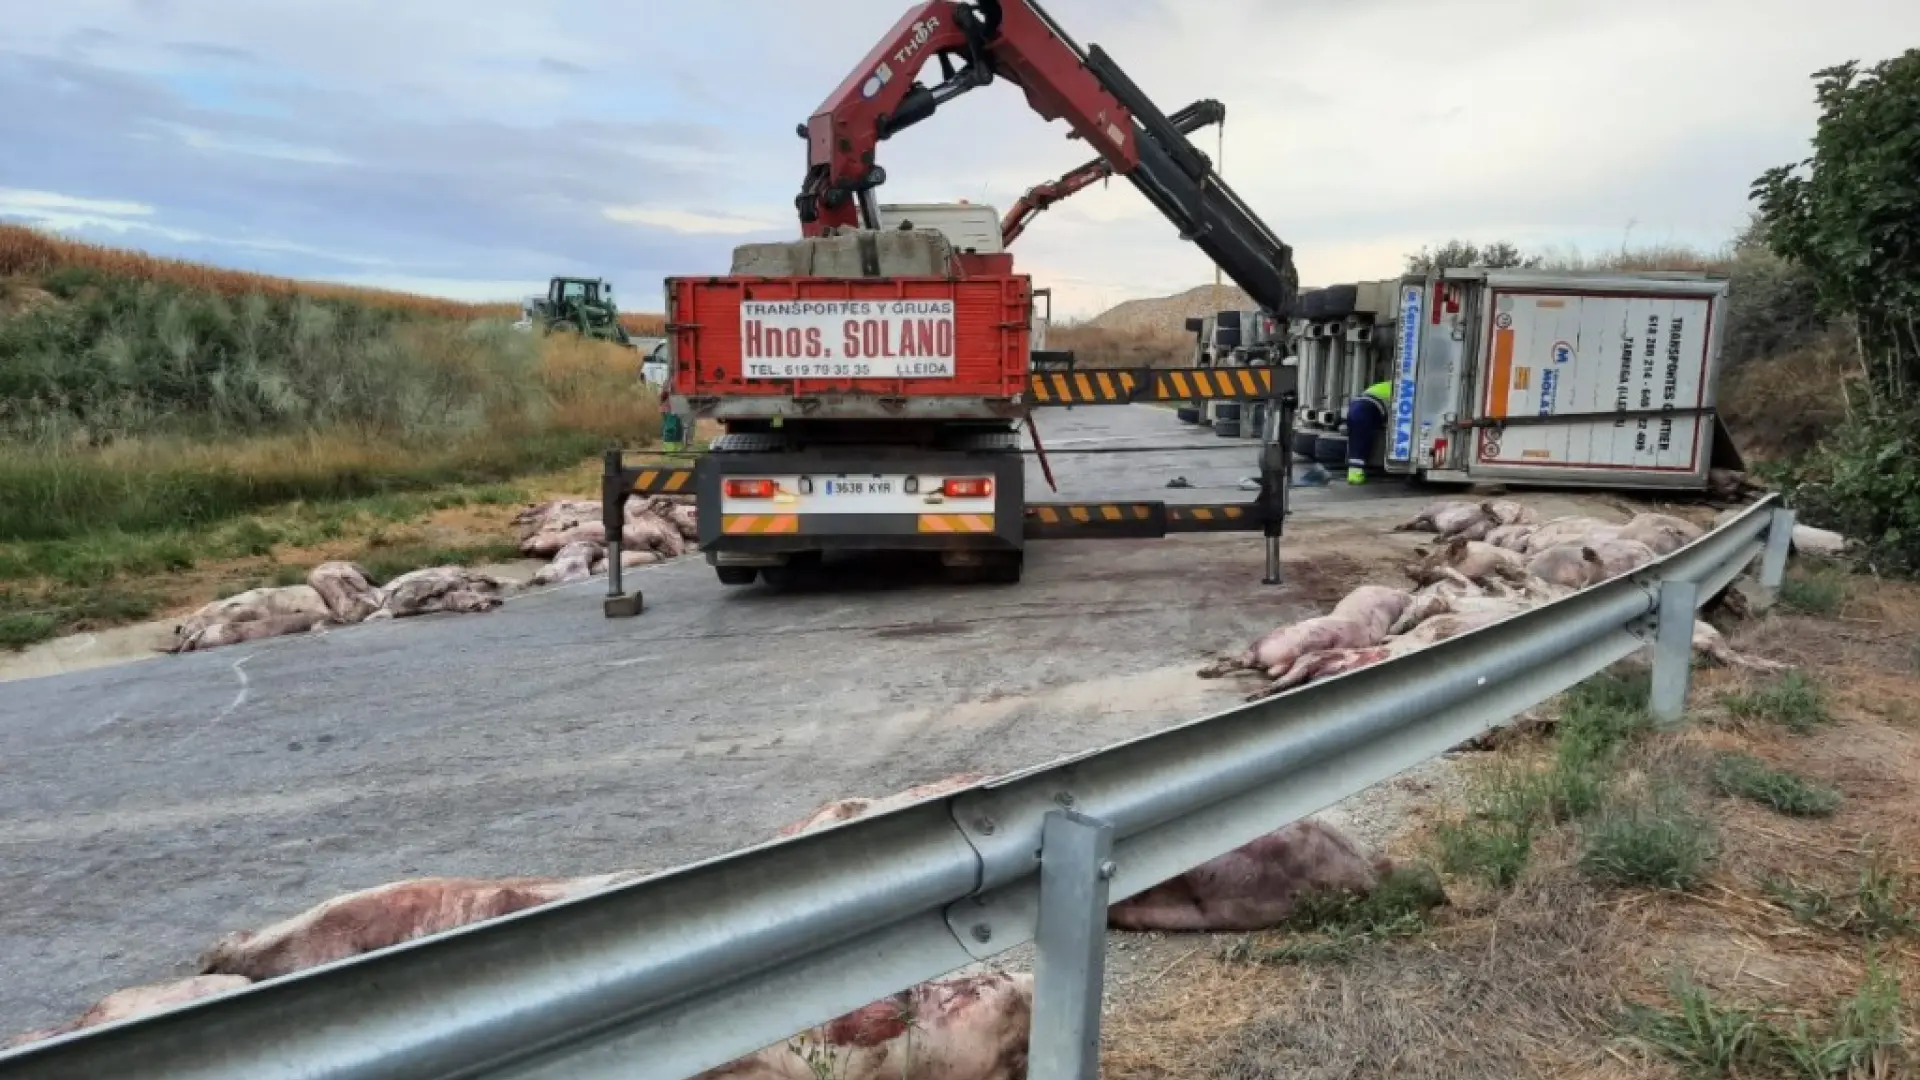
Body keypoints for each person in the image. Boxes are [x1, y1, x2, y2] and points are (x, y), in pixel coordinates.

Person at [1344, 381, 1393, 485]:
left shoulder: (1386, 385)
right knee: (1362, 441)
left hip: (1355, 405)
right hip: (1370, 407)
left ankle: (1353, 472)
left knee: (1355, 440)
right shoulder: (1404, 390)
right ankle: (1356, 475)